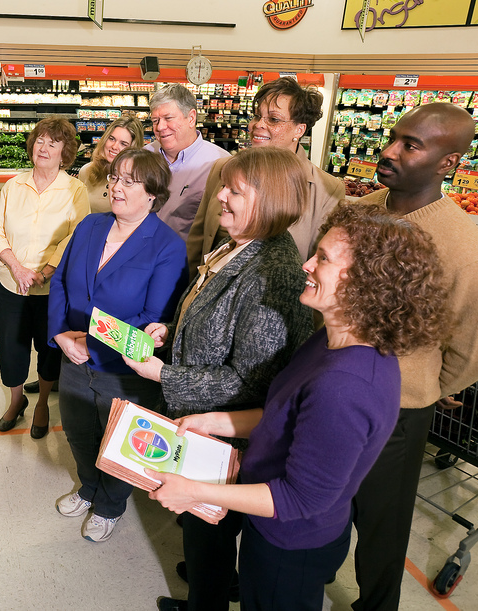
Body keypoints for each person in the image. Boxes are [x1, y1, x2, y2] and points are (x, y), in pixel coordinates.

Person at [147, 203, 450, 611]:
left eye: (323, 258)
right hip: (273, 525)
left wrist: (193, 492)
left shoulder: (345, 387)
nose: (306, 264)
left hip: (290, 542)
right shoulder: (332, 340)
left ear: (365, 282)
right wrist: (213, 420)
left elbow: (300, 500)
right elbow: (284, 418)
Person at [124, 146, 315, 611]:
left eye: (235, 190)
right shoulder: (238, 246)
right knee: (203, 533)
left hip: (225, 436)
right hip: (202, 424)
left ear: (268, 200)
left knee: (208, 528)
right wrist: (173, 328)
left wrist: (166, 375)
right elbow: (215, 322)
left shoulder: (275, 273)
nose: (221, 198)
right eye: (223, 187)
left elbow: (253, 380)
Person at [352, 102, 478, 611]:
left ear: (449, 163)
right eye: (393, 137)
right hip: (330, 388)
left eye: (411, 145)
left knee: (381, 523)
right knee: (321, 499)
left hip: (397, 411)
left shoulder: (466, 251)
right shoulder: (364, 210)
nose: (389, 151)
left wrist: (426, 387)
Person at [48, 147, 188, 543]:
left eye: (129, 180)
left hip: (124, 369)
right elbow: (59, 281)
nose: (117, 187)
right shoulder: (90, 226)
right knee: (78, 432)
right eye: (114, 178)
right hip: (74, 356)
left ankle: (109, 506)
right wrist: (60, 334)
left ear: (153, 193)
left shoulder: (167, 246)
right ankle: (88, 488)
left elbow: (152, 315)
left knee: (118, 441)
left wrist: (93, 343)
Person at [0, 117, 89, 438]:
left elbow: (76, 236)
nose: (44, 148)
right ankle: (17, 402)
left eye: (53, 143)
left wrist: (47, 271)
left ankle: (42, 402)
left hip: (51, 290)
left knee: (48, 350)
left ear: (65, 152)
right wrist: (16, 266)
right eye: (40, 140)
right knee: (11, 348)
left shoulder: (75, 190)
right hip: (9, 284)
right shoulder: (13, 185)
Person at [187, 77, 343, 268]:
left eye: (273, 119)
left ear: (299, 129)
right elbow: (199, 239)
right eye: (256, 116)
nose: (258, 125)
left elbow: (319, 261)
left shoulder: (327, 189)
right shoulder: (222, 168)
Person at [145, 84, 229, 240]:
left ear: (191, 118)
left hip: (187, 261)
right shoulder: (144, 157)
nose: (160, 127)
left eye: (168, 118)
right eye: (155, 120)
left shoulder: (221, 163)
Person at [77, 114, 146, 213]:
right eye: (112, 139)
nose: (114, 146)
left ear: (133, 149)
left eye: (123, 144)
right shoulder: (86, 171)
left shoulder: (139, 180)